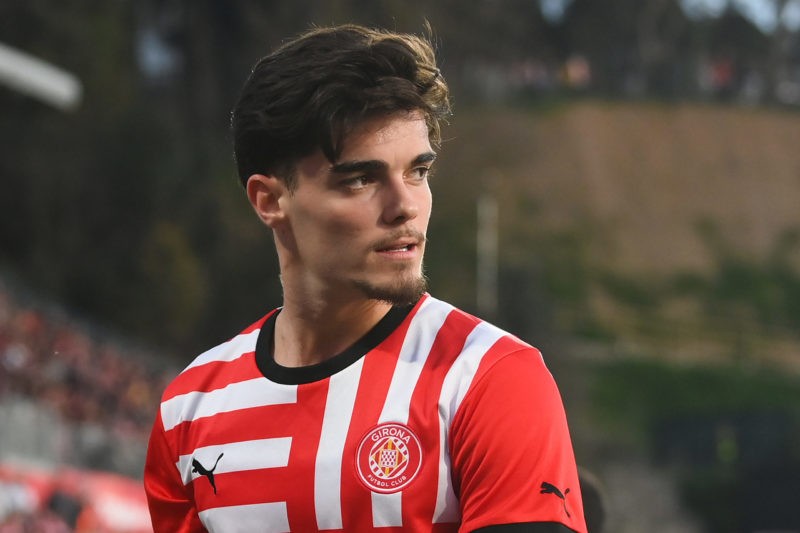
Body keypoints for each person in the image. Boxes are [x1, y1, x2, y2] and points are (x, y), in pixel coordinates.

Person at [144, 23, 587, 533]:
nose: (405, 207)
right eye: (361, 179)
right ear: (269, 200)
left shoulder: (488, 378)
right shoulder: (189, 410)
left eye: (418, 172)